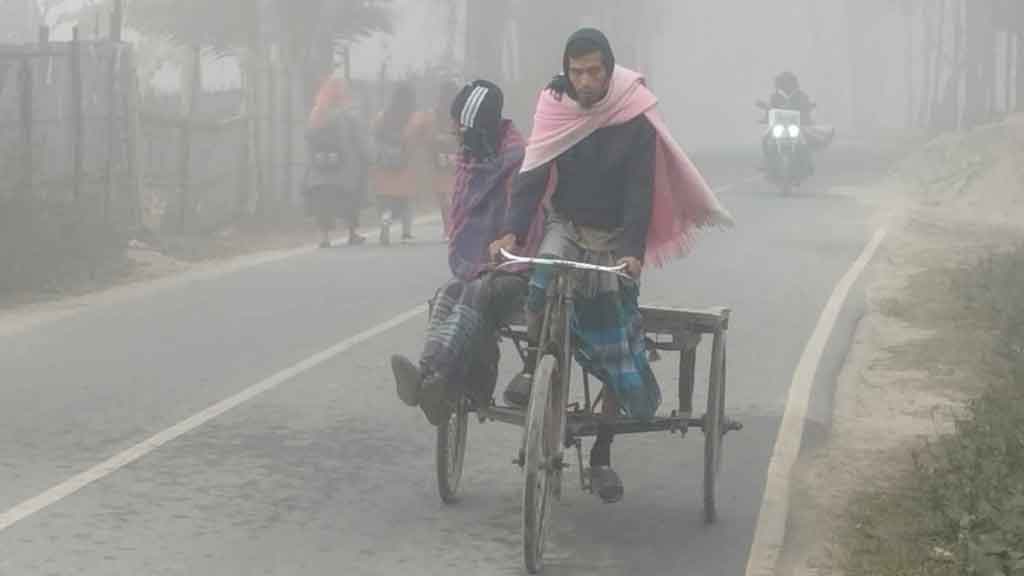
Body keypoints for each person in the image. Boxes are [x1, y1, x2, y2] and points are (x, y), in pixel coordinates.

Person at [489, 28, 732, 503]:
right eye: (576, 71)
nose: (585, 80)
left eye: (594, 70)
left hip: (614, 238)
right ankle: (537, 362)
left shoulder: (633, 115)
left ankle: (601, 455)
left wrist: (632, 254)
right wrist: (512, 233)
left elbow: (640, 192)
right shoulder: (554, 105)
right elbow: (533, 172)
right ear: (567, 70)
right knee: (543, 270)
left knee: (617, 343)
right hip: (567, 223)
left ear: (609, 69)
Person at [390, 80, 529, 426]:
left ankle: (434, 379)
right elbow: (465, 219)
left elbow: (529, 223)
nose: (454, 132)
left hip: (521, 271)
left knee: (478, 292)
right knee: (449, 292)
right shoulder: (473, 159)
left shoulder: (519, 162)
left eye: (459, 125)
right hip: (482, 268)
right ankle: (431, 378)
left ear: (476, 126)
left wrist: (506, 247)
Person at [304, 76, 370, 247]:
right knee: (350, 199)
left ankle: (325, 237)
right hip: (346, 167)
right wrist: (368, 157)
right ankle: (352, 233)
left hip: (321, 166)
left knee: (322, 202)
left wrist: (313, 160)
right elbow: (359, 138)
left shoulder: (317, 111)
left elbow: (309, 137)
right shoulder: (348, 112)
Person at [371, 82, 431, 245]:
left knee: (386, 199)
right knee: (406, 199)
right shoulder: (416, 117)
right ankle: (406, 232)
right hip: (407, 162)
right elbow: (425, 137)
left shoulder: (383, 115)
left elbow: (375, 133)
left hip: (384, 163)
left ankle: (385, 221)